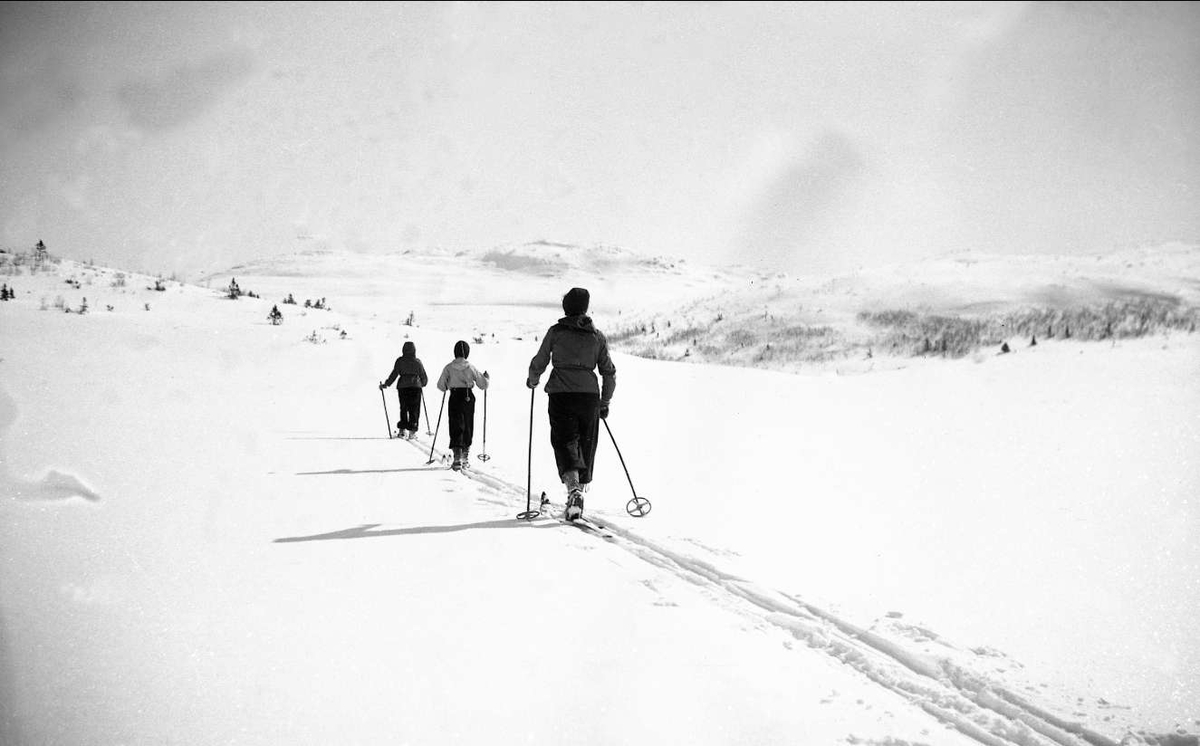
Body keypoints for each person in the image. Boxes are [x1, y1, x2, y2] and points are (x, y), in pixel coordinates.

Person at [527, 287, 616, 521]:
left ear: (566, 307)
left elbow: (541, 360)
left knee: (565, 441)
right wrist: (604, 401)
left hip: (561, 394)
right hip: (589, 397)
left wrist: (533, 379)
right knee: (586, 444)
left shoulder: (556, 332)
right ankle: (578, 492)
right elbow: (609, 372)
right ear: (585, 307)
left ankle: (573, 490)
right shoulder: (597, 337)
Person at [436, 340, 489, 469]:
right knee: (467, 425)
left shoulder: (448, 367)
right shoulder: (471, 367)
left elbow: (441, 386)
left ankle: (457, 457)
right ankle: (465, 457)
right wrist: (486, 377)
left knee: (455, 425)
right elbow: (483, 385)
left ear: (455, 352)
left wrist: (449, 384)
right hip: (467, 398)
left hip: (454, 397)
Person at [380, 341, 428, 440]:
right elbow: (423, 376)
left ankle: (402, 430)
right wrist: (422, 383)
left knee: (404, 408)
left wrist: (387, 384)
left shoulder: (400, 361)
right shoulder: (417, 362)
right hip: (416, 387)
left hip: (403, 387)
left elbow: (394, 374)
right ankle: (412, 431)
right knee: (414, 409)